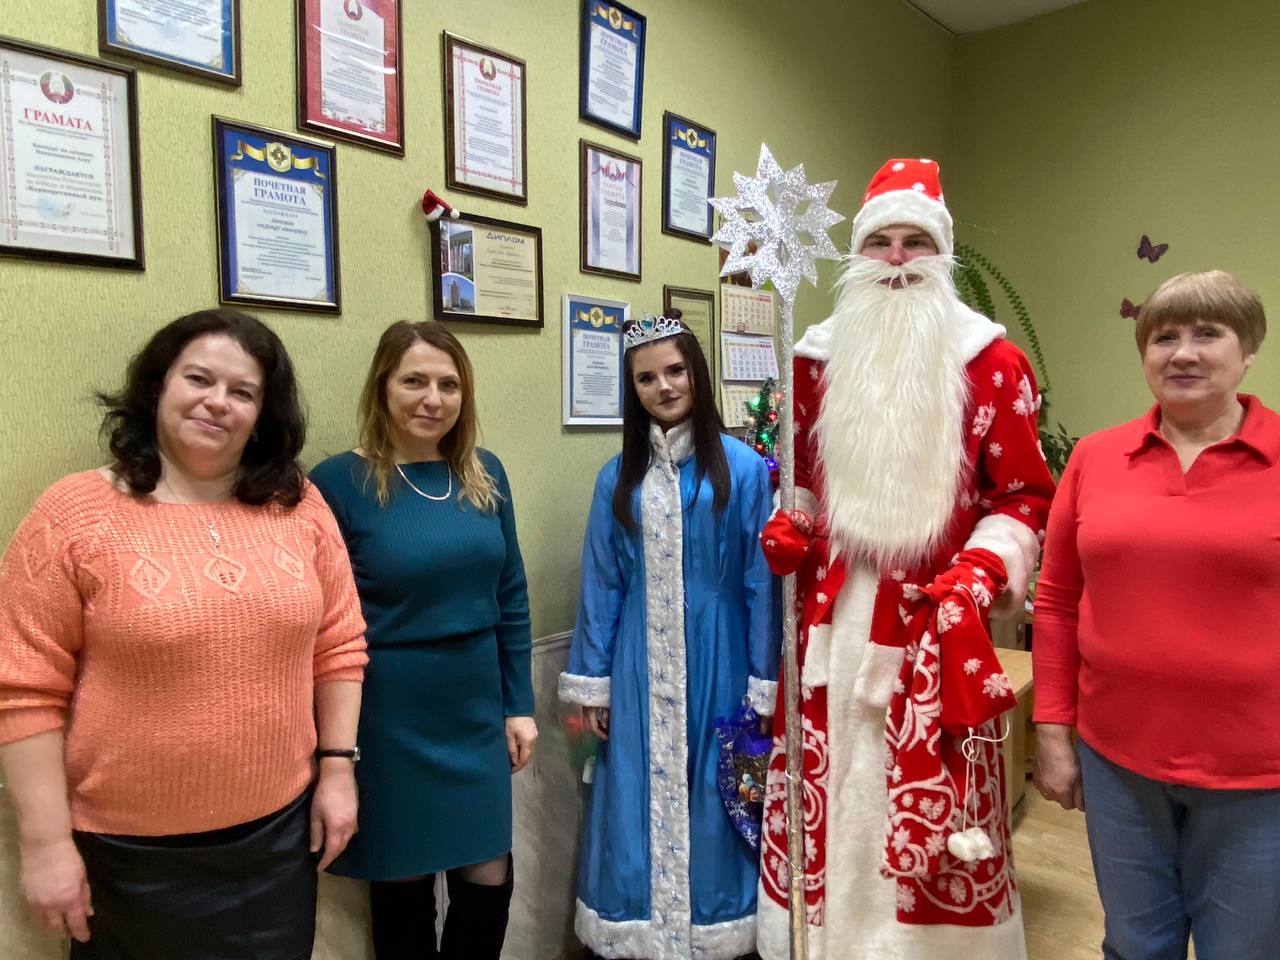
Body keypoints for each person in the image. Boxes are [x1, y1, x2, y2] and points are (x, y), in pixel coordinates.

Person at [753, 158, 1055, 959]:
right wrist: (795, 520)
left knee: (931, 806)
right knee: (828, 792)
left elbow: (1024, 497)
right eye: (878, 242)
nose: (895, 259)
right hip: (830, 627)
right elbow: (803, 480)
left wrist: (980, 571)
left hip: (933, 621)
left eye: (914, 242)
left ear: (941, 253)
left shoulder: (993, 365)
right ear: (856, 256)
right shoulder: (814, 361)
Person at [0, 308, 367, 959]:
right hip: (127, 855)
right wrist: (45, 843)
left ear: (263, 414)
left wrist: (337, 771)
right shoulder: (75, 514)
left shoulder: (299, 505)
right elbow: (22, 688)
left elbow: (339, 646)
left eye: (243, 391)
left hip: (277, 841)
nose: (218, 402)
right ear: (157, 386)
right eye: (199, 379)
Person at [1033, 270, 1280, 959]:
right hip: (1118, 762)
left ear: (1247, 350)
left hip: (1258, 773)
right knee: (1136, 945)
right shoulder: (1095, 457)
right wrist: (1052, 731)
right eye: (1164, 337)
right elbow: (1057, 600)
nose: (1184, 353)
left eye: (1208, 333)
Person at [310, 321, 536, 960]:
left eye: (448, 384)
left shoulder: (484, 473)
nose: (432, 398)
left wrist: (518, 704)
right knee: (402, 887)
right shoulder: (338, 482)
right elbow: (327, 620)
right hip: (389, 714)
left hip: (475, 706)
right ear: (382, 387)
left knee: (488, 875)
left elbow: (511, 594)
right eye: (414, 381)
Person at [559, 311, 779, 959]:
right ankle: (638, 929)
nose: (664, 387)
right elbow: (602, 583)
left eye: (676, 370)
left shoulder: (743, 471)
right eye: (647, 378)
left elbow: (760, 583)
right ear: (632, 389)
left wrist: (764, 684)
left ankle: (718, 928)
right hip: (636, 665)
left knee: (719, 792)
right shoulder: (616, 478)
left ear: (697, 374)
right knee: (634, 790)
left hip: (723, 658)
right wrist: (593, 683)